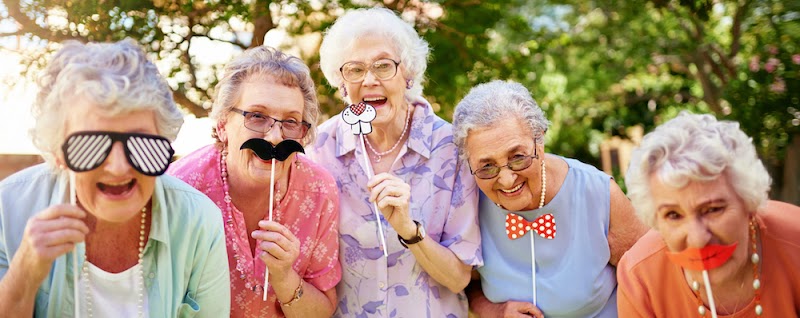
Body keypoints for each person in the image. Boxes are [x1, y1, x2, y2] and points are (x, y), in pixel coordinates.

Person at [0, 39, 229, 317]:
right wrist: (23, 275)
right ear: (58, 152)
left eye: (142, 143)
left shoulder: (198, 221)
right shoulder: (8, 209)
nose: (119, 168)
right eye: (91, 144)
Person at [307, 7, 482, 318]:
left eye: (383, 66)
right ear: (341, 83)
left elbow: (459, 278)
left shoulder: (451, 149)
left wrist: (409, 229)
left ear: (409, 73)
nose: (370, 80)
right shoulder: (320, 148)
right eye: (355, 70)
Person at [168, 46, 341, 317]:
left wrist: (285, 277)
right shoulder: (180, 190)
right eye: (257, 116)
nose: (274, 138)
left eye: (291, 122)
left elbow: (322, 311)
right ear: (223, 124)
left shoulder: (318, 190)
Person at [452, 80, 648, 317]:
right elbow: (466, 282)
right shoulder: (467, 205)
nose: (506, 179)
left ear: (540, 140)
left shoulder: (597, 194)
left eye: (518, 157)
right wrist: (496, 311)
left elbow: (649, 278)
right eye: (487, 167)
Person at [617, 112, 800, 316]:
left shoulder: (795, 244)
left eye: (713, 209)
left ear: (749, 203)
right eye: (673, 215)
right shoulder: (641, 278)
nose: (697, 239)